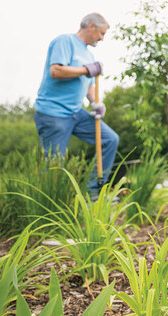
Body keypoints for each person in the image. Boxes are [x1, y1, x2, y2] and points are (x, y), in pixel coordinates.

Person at [33, 13, 119, 201]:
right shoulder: (64, 42)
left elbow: (88, 83)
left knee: (110, 139)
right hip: (53, 113)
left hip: (75, 113)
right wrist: (87, 69)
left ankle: (94, 191)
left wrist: (96, 102)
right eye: (102, 33)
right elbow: (56, 70)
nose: (102, 38)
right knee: (54, 165)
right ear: (91, 26)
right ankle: (51, 207)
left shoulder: (88, 54)